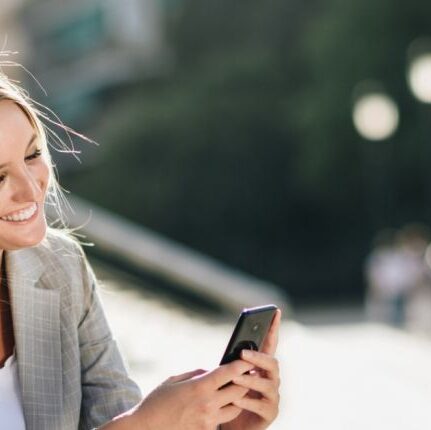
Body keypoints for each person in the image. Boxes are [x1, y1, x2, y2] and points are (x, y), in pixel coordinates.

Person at [0, 65, 281, 430]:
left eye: (33, 154)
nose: (31, 188)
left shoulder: (62, 267)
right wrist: (147, 423)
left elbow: (113, 415)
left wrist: (218, 423)